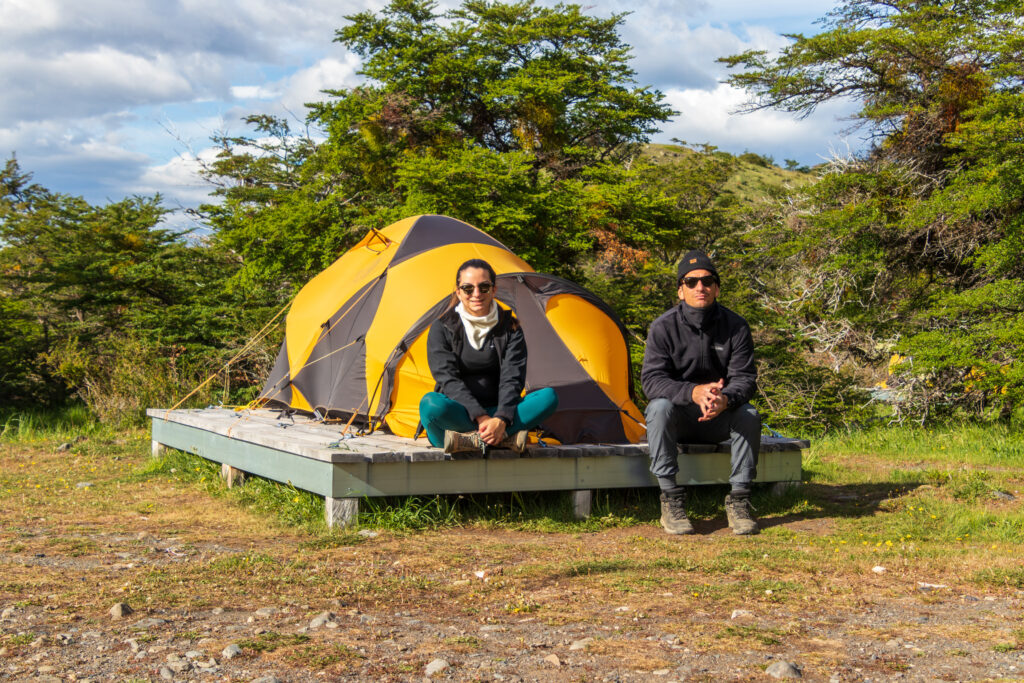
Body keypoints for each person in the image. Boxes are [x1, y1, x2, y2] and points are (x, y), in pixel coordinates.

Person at [641, 249, 761, 535]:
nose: (700, 287)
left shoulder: (736, 327)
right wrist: (692, 392)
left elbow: (745, 378)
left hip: (720, 416)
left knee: (749, 414)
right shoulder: (662, 327)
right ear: (681, 290)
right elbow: (652, 381)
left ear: (717, 288)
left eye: (707, 281)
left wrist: (726, 399)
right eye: (691, 282)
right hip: (679, 419)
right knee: (658, 408)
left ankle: (740, 500)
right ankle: (671, 500)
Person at [419, 258, 558, 453]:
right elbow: (447, 379)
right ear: (458, 292)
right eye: (468, 288)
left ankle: (471, 440)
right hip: (460, 413)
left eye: (483, 287)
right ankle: (500, 438)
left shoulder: (510, 327)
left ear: (493, 290)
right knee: (431, 405)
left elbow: (513, 378)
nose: (476, 294)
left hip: (499, 412)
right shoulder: (442, 327)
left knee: (548, 398)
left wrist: (500, 419)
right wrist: (482, 418)